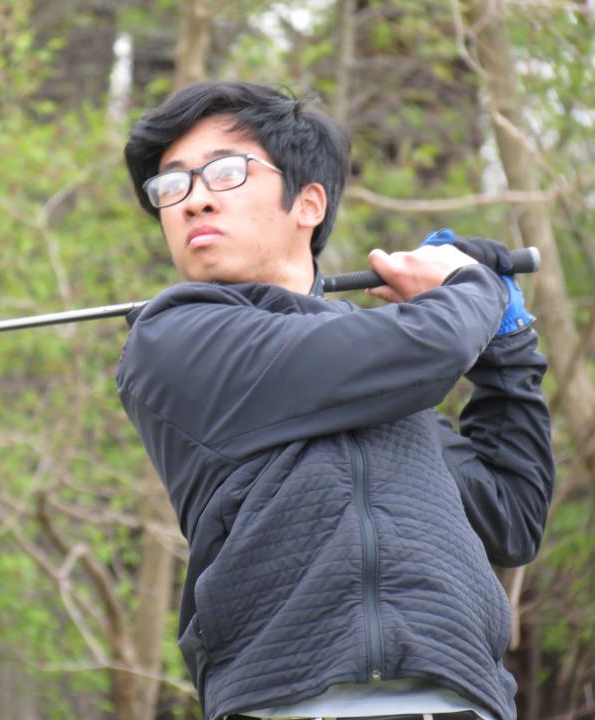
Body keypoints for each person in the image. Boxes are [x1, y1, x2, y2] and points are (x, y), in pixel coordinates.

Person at [116, 80, 554, 720]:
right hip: (286, 701)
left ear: (309, 203)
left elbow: (512, 514)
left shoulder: (381, 384)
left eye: (224, 171)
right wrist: (472, 285)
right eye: (171, 185)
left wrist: (510, 347)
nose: (192, 200)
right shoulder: (176, 337)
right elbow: (426, 349)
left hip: (461, 702)